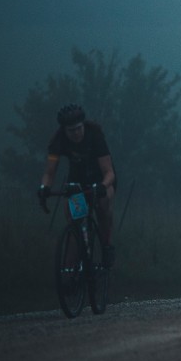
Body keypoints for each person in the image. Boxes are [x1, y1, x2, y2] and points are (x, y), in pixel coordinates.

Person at [38, 104, 117, 268]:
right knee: (75, 221)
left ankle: (107, 245)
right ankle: (70, 271)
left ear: (83, 125)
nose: (76, 133)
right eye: (71, 130)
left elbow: (109, 172)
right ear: (64, 130)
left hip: (102, 179)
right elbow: (50, 172)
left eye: (79, 128)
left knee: (102, 205)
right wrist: (44, 188)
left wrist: (102, 186)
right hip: (78, 181)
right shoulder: (58, 141)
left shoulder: (94, 136)